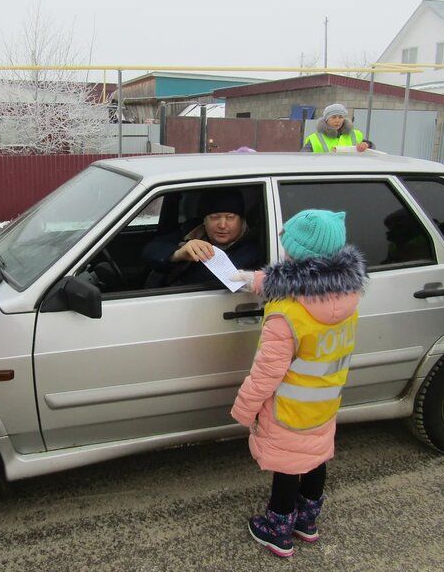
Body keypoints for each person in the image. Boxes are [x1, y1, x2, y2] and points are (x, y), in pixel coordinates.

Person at [230, 210, 367, 558]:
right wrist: (247, 279)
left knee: (288, 466)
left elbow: (266, 373)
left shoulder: (286, 312)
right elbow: (292, 284)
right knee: (315, 457)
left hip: (287, 407)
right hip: (324, 401)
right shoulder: (345, 296)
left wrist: (244, 409)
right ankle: (307, 522)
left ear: (294, 254)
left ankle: (277, 530)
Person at [142, 187, 260, 287]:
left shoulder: (257, 249)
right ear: (204, 220)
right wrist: (179, 254)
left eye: (230, 217)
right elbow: (150, 251)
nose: (222, 225)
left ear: (242, 221)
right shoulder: (190, 232)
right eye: (215, 217)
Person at [301, 103, 373, 153]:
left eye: (340, 117)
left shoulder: (355, 134)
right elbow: (304, 157)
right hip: (326, 173)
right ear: (326, 119)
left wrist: (366, 145)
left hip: (350, 173)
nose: (337, 120)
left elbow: (371, 147)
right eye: (333, 117)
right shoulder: (315, 138)